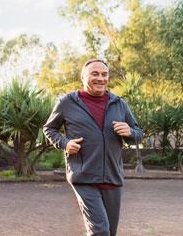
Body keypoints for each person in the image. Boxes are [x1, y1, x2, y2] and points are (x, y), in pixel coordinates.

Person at [43, 59, 144, 236]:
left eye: (104, 74)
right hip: (84, 175)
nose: (101, 78)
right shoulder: (67, 103)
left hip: (112, 176)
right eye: (94, 74)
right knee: (100, 230)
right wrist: (65, 143)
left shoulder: (119, 104)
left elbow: (138, 133)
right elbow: (49, 129)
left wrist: (129, 132)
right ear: (83, 77)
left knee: (110, 232)